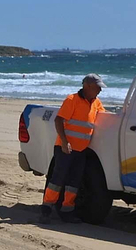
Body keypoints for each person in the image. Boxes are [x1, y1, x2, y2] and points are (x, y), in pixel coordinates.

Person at [42, 74, 105, 223]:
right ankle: (46, 210)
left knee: (74, 182)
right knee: (57, 180)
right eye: (98, 87)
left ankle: (67, 212)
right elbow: (59, 120)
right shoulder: (72, 100)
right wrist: (64, 142)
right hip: (65, 149)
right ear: (88, 86)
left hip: (81, 150)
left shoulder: (96, 102)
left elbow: (104, 114)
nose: (100, 91)